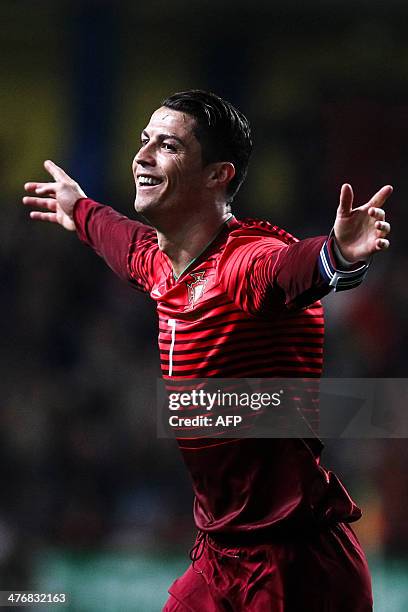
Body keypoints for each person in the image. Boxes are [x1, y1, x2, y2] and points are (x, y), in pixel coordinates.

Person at [23, 90, 391, 611]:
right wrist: (78, 208)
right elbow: (122, 242)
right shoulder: (161, 264)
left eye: (167, 146)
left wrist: (337, 256)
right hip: (220, 560)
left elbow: (291, 271)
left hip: (298, 568)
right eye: (144, 140)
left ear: (218, 175)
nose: (143, 156)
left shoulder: (246, 262)